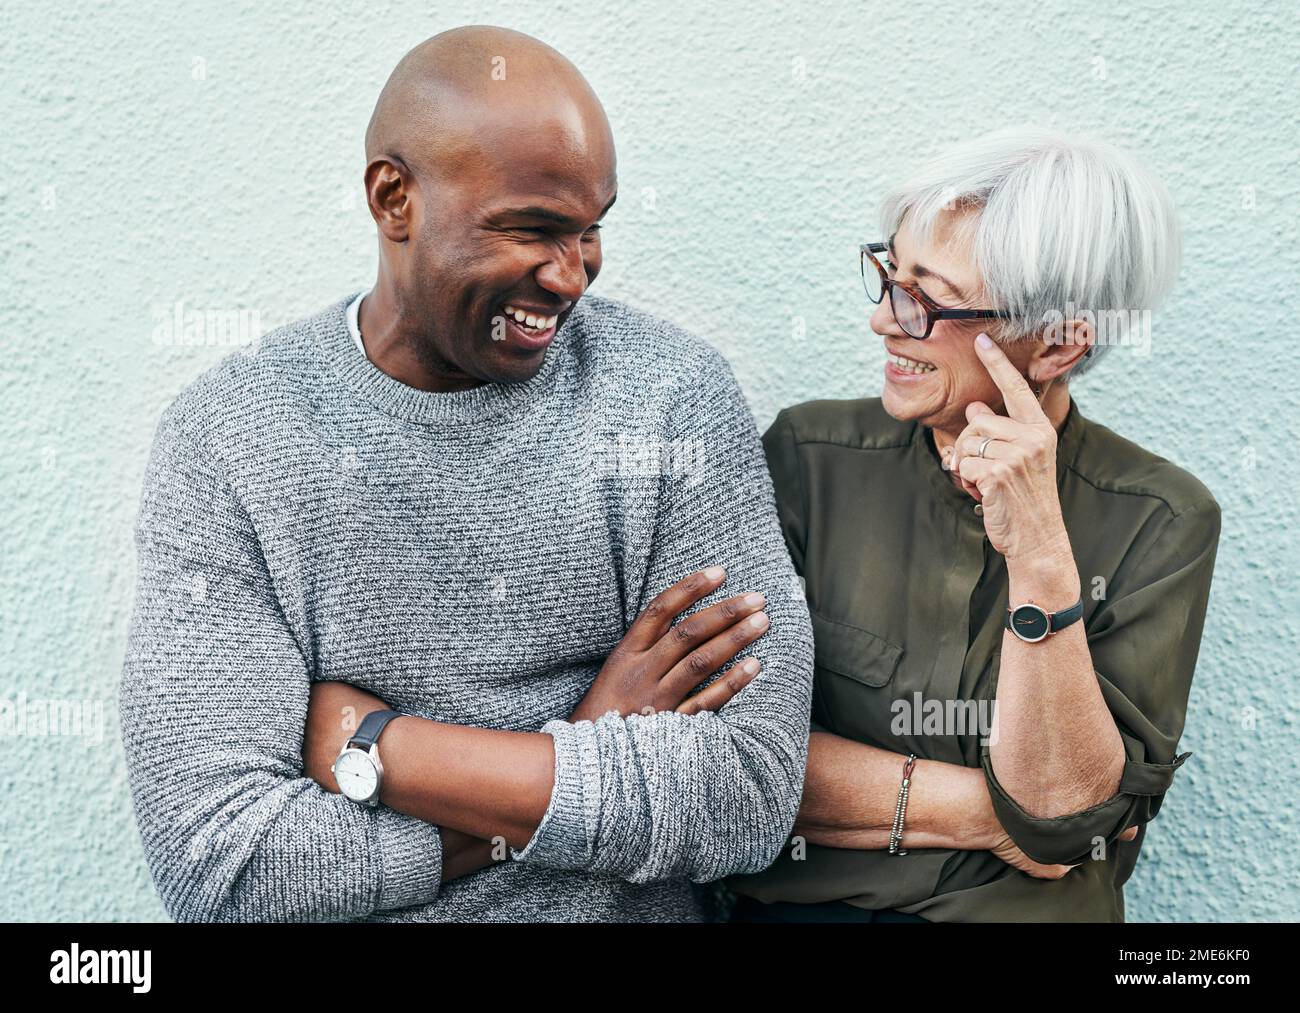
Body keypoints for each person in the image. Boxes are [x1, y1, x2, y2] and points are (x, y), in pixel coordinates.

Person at [118, 25, 814, 923]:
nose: (572, 276)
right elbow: (222, 866)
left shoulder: (670, 400)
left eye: (592, 230)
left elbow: (749, 795)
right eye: (532, 229)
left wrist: (384, 749)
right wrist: (592, 740)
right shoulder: (231, 439)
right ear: (393, 197)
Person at [725, 128, 1220, 922]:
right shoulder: (810, 458)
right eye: (891, 274)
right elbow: (729, 760)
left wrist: (1041, 556)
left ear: (1058, 342)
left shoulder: (1161, 519)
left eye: (927, 298)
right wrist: (990, 814)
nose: (885, 321)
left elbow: (1063, 807)